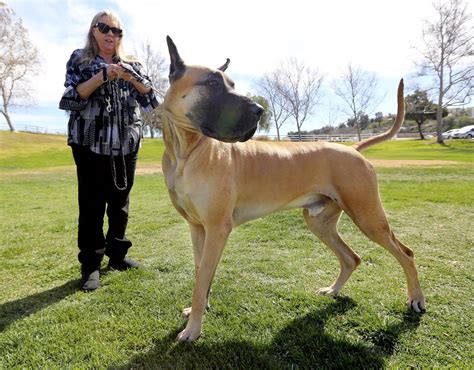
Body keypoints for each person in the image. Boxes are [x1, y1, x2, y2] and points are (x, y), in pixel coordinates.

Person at [59, 10, 158, 291]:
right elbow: (70, 99)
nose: (111, 34)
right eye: (105, 28)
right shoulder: (80, 59)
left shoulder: (133, 63)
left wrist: (130, 77)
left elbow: (151, 101)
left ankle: (117, 257)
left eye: (117, 30)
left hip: (126, 144)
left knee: (120, 203)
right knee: (91, 205)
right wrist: (103, 76)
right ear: (94, 30)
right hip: (89, 143)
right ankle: (91, 265)